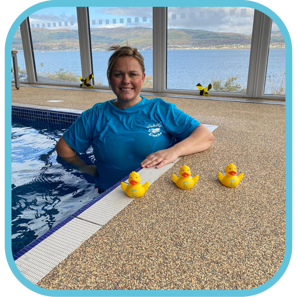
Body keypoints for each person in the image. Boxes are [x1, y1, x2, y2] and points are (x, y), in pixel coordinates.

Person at [55, 45, 214, 192]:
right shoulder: (95, 115)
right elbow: (63, 147)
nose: (126, 81)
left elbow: (205, 136)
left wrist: (174, 151)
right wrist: (84, 168)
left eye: (133, 74)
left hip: (156, 191)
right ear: (110, 79)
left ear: (143, 78)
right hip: (108, 195)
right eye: (118, 74)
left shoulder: (160, 109)